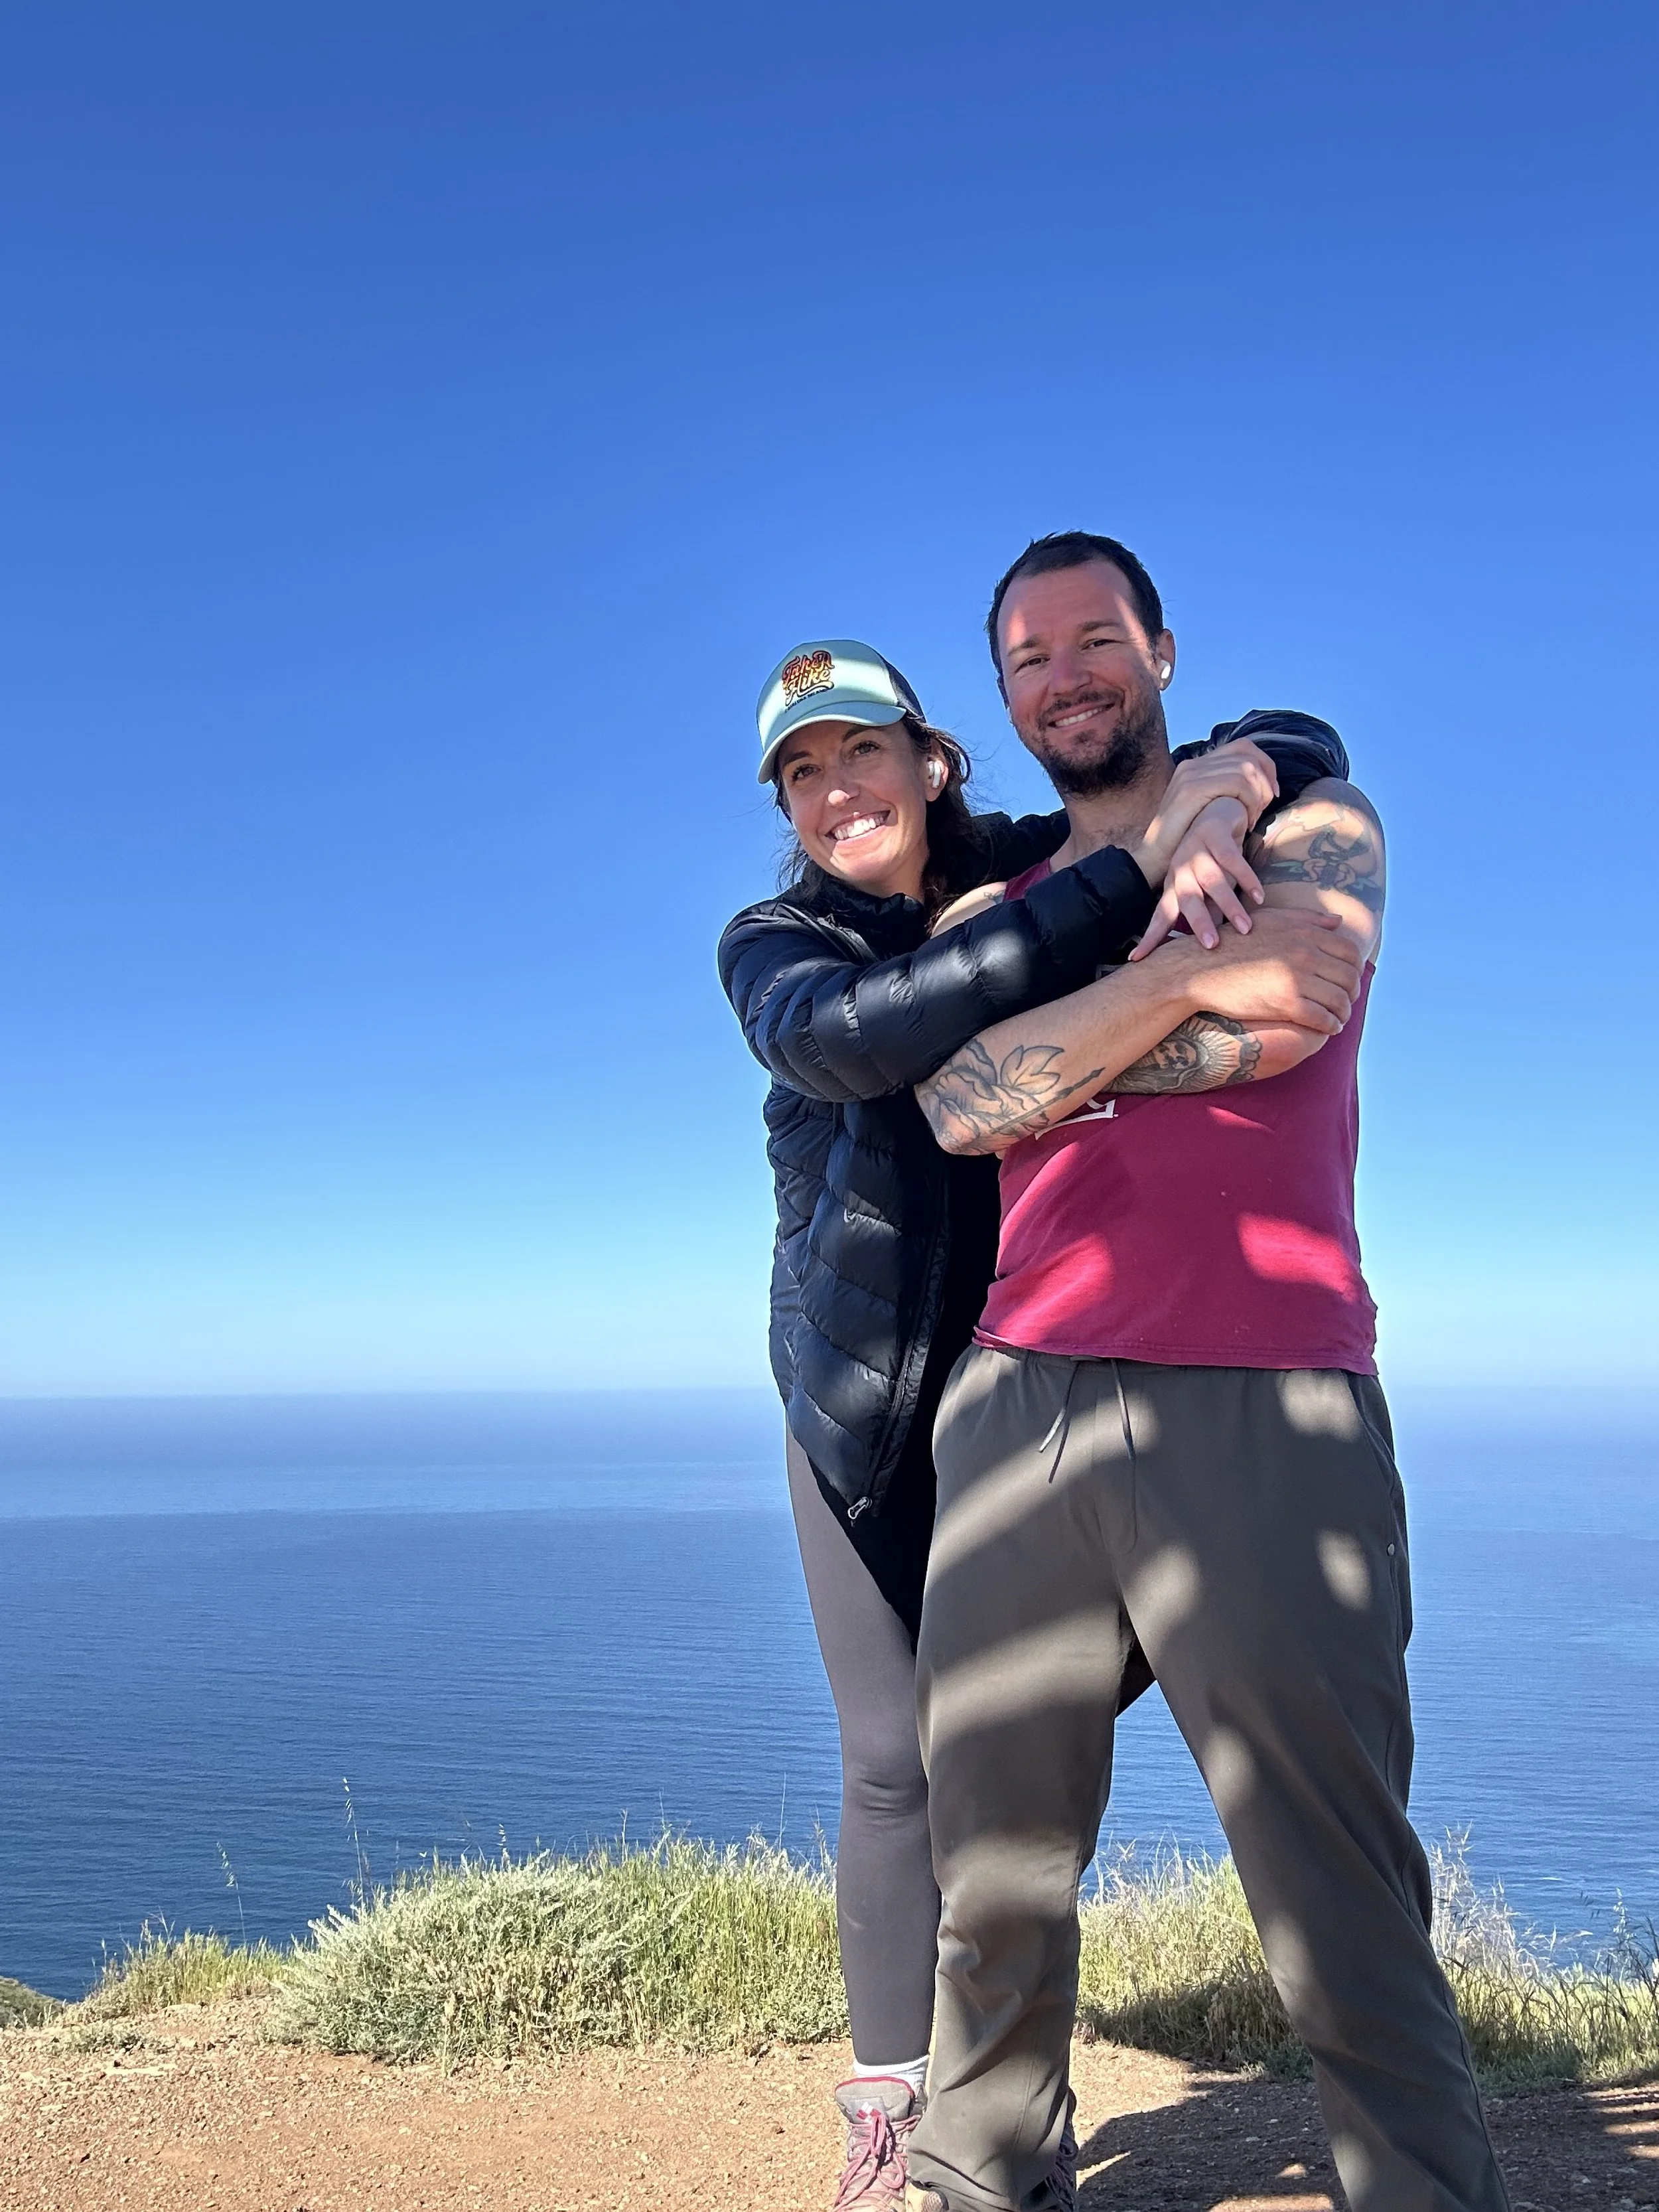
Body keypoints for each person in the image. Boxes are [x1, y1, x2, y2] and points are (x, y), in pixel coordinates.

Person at [902, 534, 1512, 2212]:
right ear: (1005, 694)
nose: (1063, 673)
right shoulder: (988, 905)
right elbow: (958, 1100)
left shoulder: (1314, 822)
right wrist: (1174, 972)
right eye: (1026, 656)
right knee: (993, 1865)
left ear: (1160, 650)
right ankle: (975, 2166)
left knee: (1333, 1876)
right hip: (1017, 1391)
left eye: (1093, 638)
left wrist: (1071, 1039)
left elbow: (1295, 1006)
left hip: (1265, 1386)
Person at [717, 634, 1357, 2208]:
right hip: (866, 1406)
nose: (834, 789)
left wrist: (1233, 785)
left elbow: (1286, 723)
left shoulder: (1024, 855)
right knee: (892, 1761)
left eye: (860, 750)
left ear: (932, 762)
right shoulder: (772, 939)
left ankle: (1000, 2094)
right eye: (800, 770)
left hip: (1046, 1378)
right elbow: (873, 1035)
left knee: (1012, 1751)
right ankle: (894, 2101)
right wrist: (1148, 887)